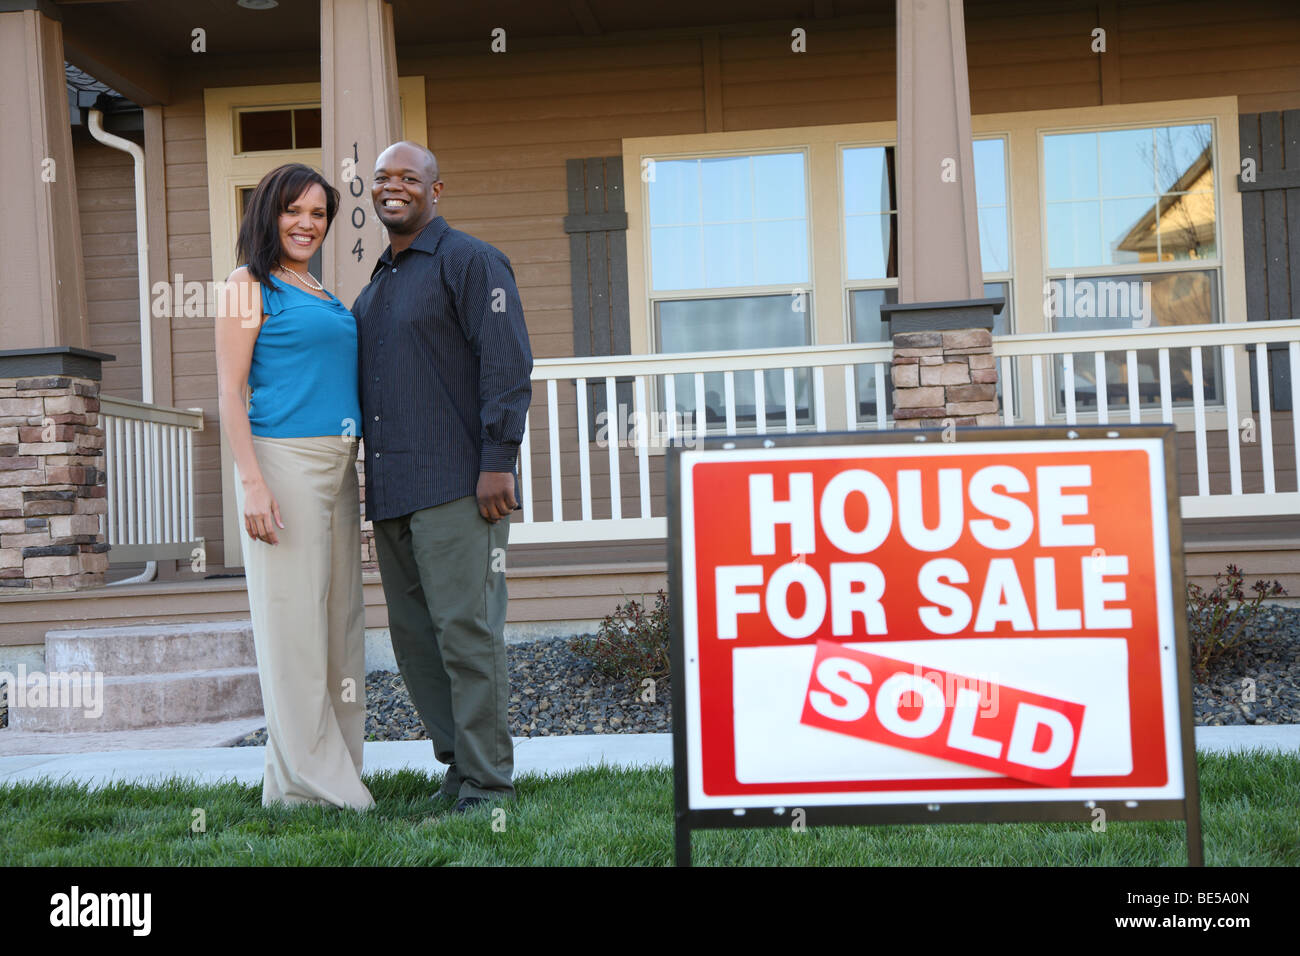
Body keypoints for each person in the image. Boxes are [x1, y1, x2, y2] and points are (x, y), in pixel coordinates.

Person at [351, 141, 533, 814]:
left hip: (460, 486)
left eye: (408, 177)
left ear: (437, 188)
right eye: (382, 179)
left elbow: (507, 365)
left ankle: (490, 784)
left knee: (467, 633)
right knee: (418, 643)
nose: (393, 187)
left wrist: (496, 461)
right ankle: (458, 770)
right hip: (393, 493)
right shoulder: (379, 283)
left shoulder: (470, 261)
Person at [215, 163, 374, 811]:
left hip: (337, 468)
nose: (306, 223)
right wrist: (252, 484)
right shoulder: (244, 285)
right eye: (293, 210)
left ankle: (314, 778)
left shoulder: (316, 288)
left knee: (338, 624)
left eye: (318, 213)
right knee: (294, 627)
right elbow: (229, 390)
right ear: (267, 214)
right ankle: (315, 783)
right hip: (281, 464)